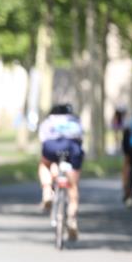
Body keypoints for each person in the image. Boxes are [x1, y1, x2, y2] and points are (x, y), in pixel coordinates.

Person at [38, 103, 85, 240]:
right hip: (72, 148)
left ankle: (47, 192)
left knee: (44, 165)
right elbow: (81, 139)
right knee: (73, 187)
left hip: (52, 146)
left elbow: (43, 140)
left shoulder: (48, 121)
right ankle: (72, 219)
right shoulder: (75, 121)